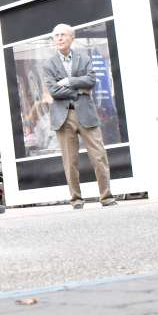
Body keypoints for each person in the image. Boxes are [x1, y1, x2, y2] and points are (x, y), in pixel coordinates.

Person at [41, 23, 116, 210]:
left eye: (63, 35)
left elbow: (91, 80)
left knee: (99, 156)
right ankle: (76, 200)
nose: (58, 38)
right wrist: (78, 90)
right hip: (63, 118)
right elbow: (53, 90)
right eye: (56, 35)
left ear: (71, 37)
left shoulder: (84, 58)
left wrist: (67, 81)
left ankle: (106, 197)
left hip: (87, 114)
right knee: (70, 161)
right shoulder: (49, 64)